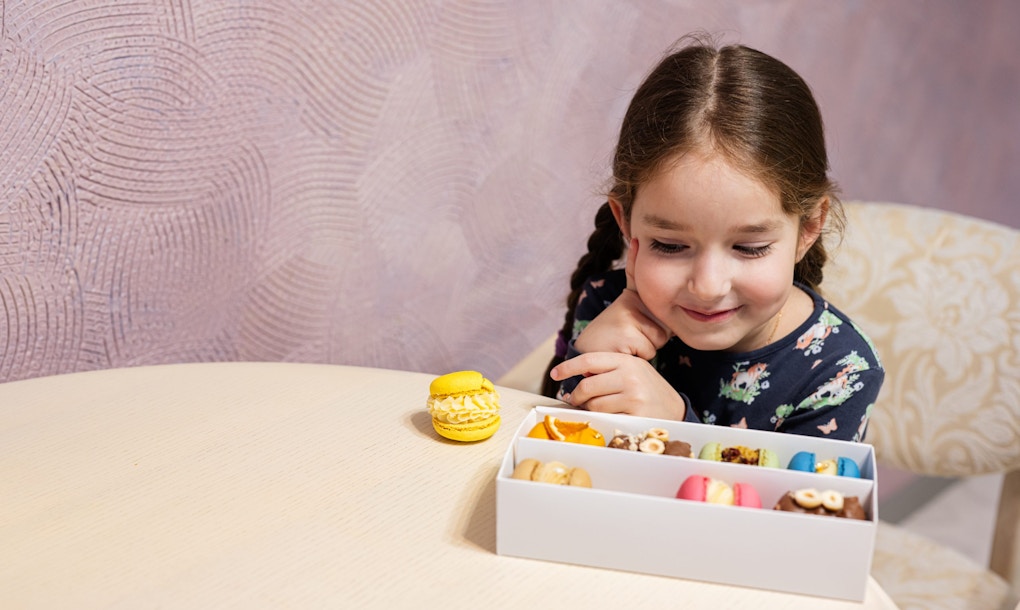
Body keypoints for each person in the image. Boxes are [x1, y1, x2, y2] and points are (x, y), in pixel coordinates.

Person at [542, 37, 883, 442]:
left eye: (749, 247)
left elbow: (792, 505)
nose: (707, 287)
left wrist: (676, 427)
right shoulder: (607, 307)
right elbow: (558, 464)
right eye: (669, 246)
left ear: (808, 228)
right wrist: (585, 363)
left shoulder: (840, 369)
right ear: (626, 223)